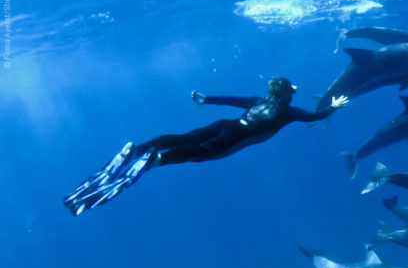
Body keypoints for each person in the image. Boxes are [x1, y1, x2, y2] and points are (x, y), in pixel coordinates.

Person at [64, 78, 348, 216]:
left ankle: (139, 149)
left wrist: (204, 99)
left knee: (182, 137)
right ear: (288, 96)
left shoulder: (256, 100)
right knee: (198, 153)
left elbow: (229, 99)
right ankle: (155, 160)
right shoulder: (290, 113)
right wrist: (332, 107)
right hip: (233, 138)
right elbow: (316, 115)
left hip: (225, 123)